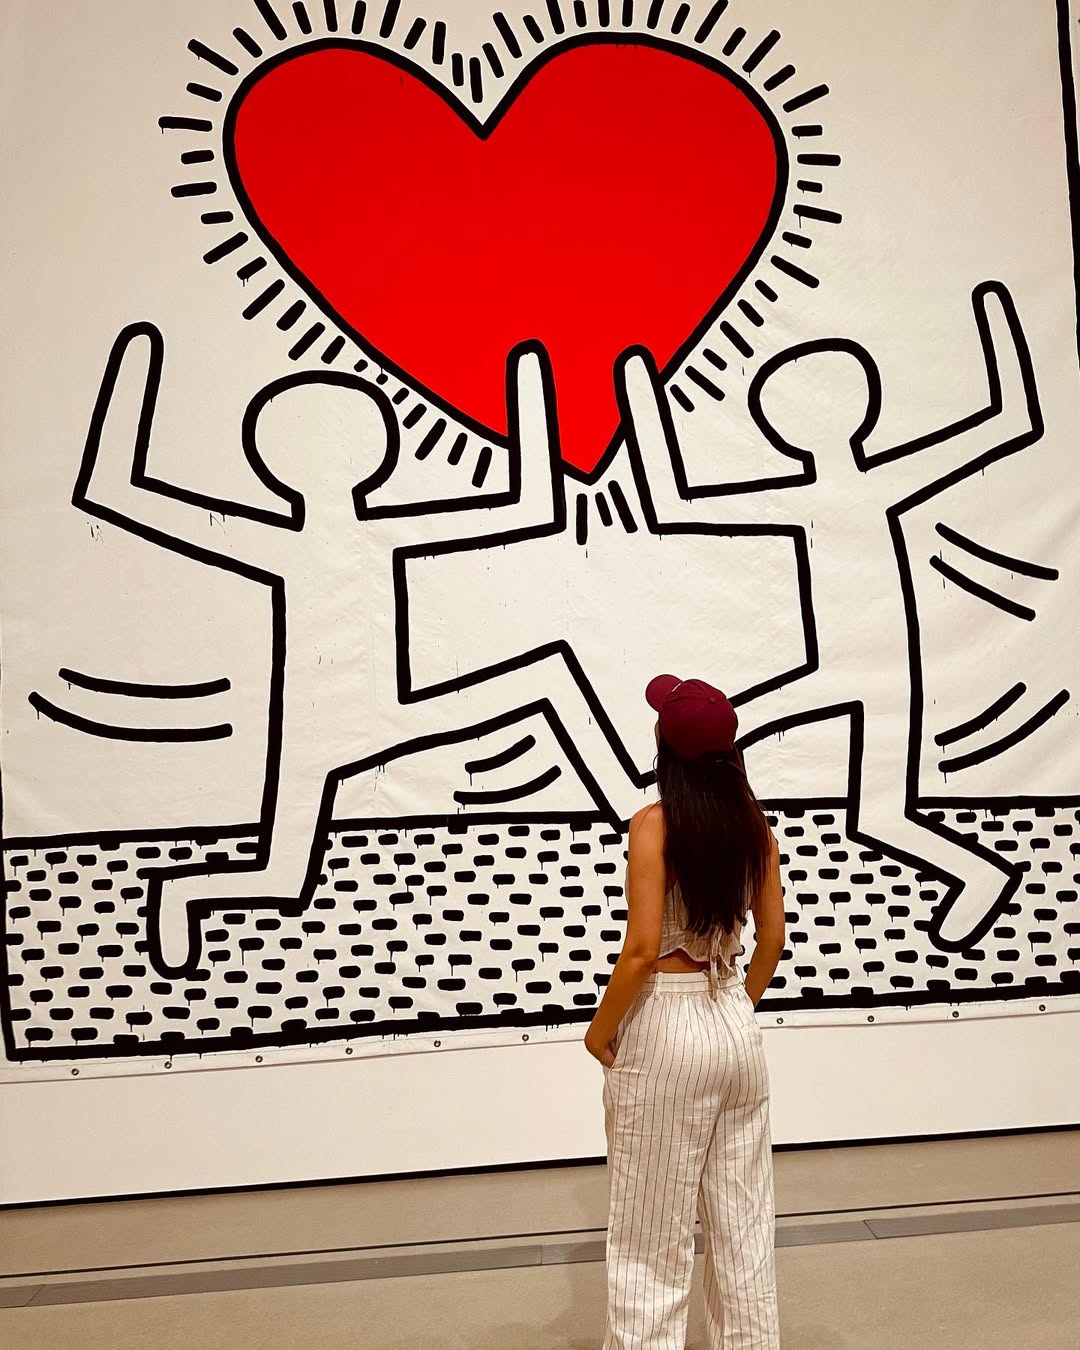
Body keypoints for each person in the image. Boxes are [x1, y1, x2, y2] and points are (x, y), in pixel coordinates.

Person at [585, 674, 786, 1349]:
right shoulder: (755, 827)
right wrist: (737, 1007)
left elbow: (642, 949)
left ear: (663, 745)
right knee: (743, 1223)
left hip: (666, 1027)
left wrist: (599, 1033)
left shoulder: (654, 824)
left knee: (651, 1233)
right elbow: (773, 937)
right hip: (732, 1019)